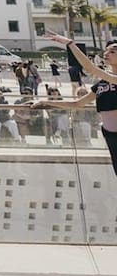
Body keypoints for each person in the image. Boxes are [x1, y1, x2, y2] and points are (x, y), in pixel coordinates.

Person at [31, 34, 117, 177]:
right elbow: (76, 103)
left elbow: (91, 68)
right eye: (106, 50)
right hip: (110, 136)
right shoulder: (101, 84)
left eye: (113, 51)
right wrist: (45, 102)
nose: (106, 53)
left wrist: (70, 44)